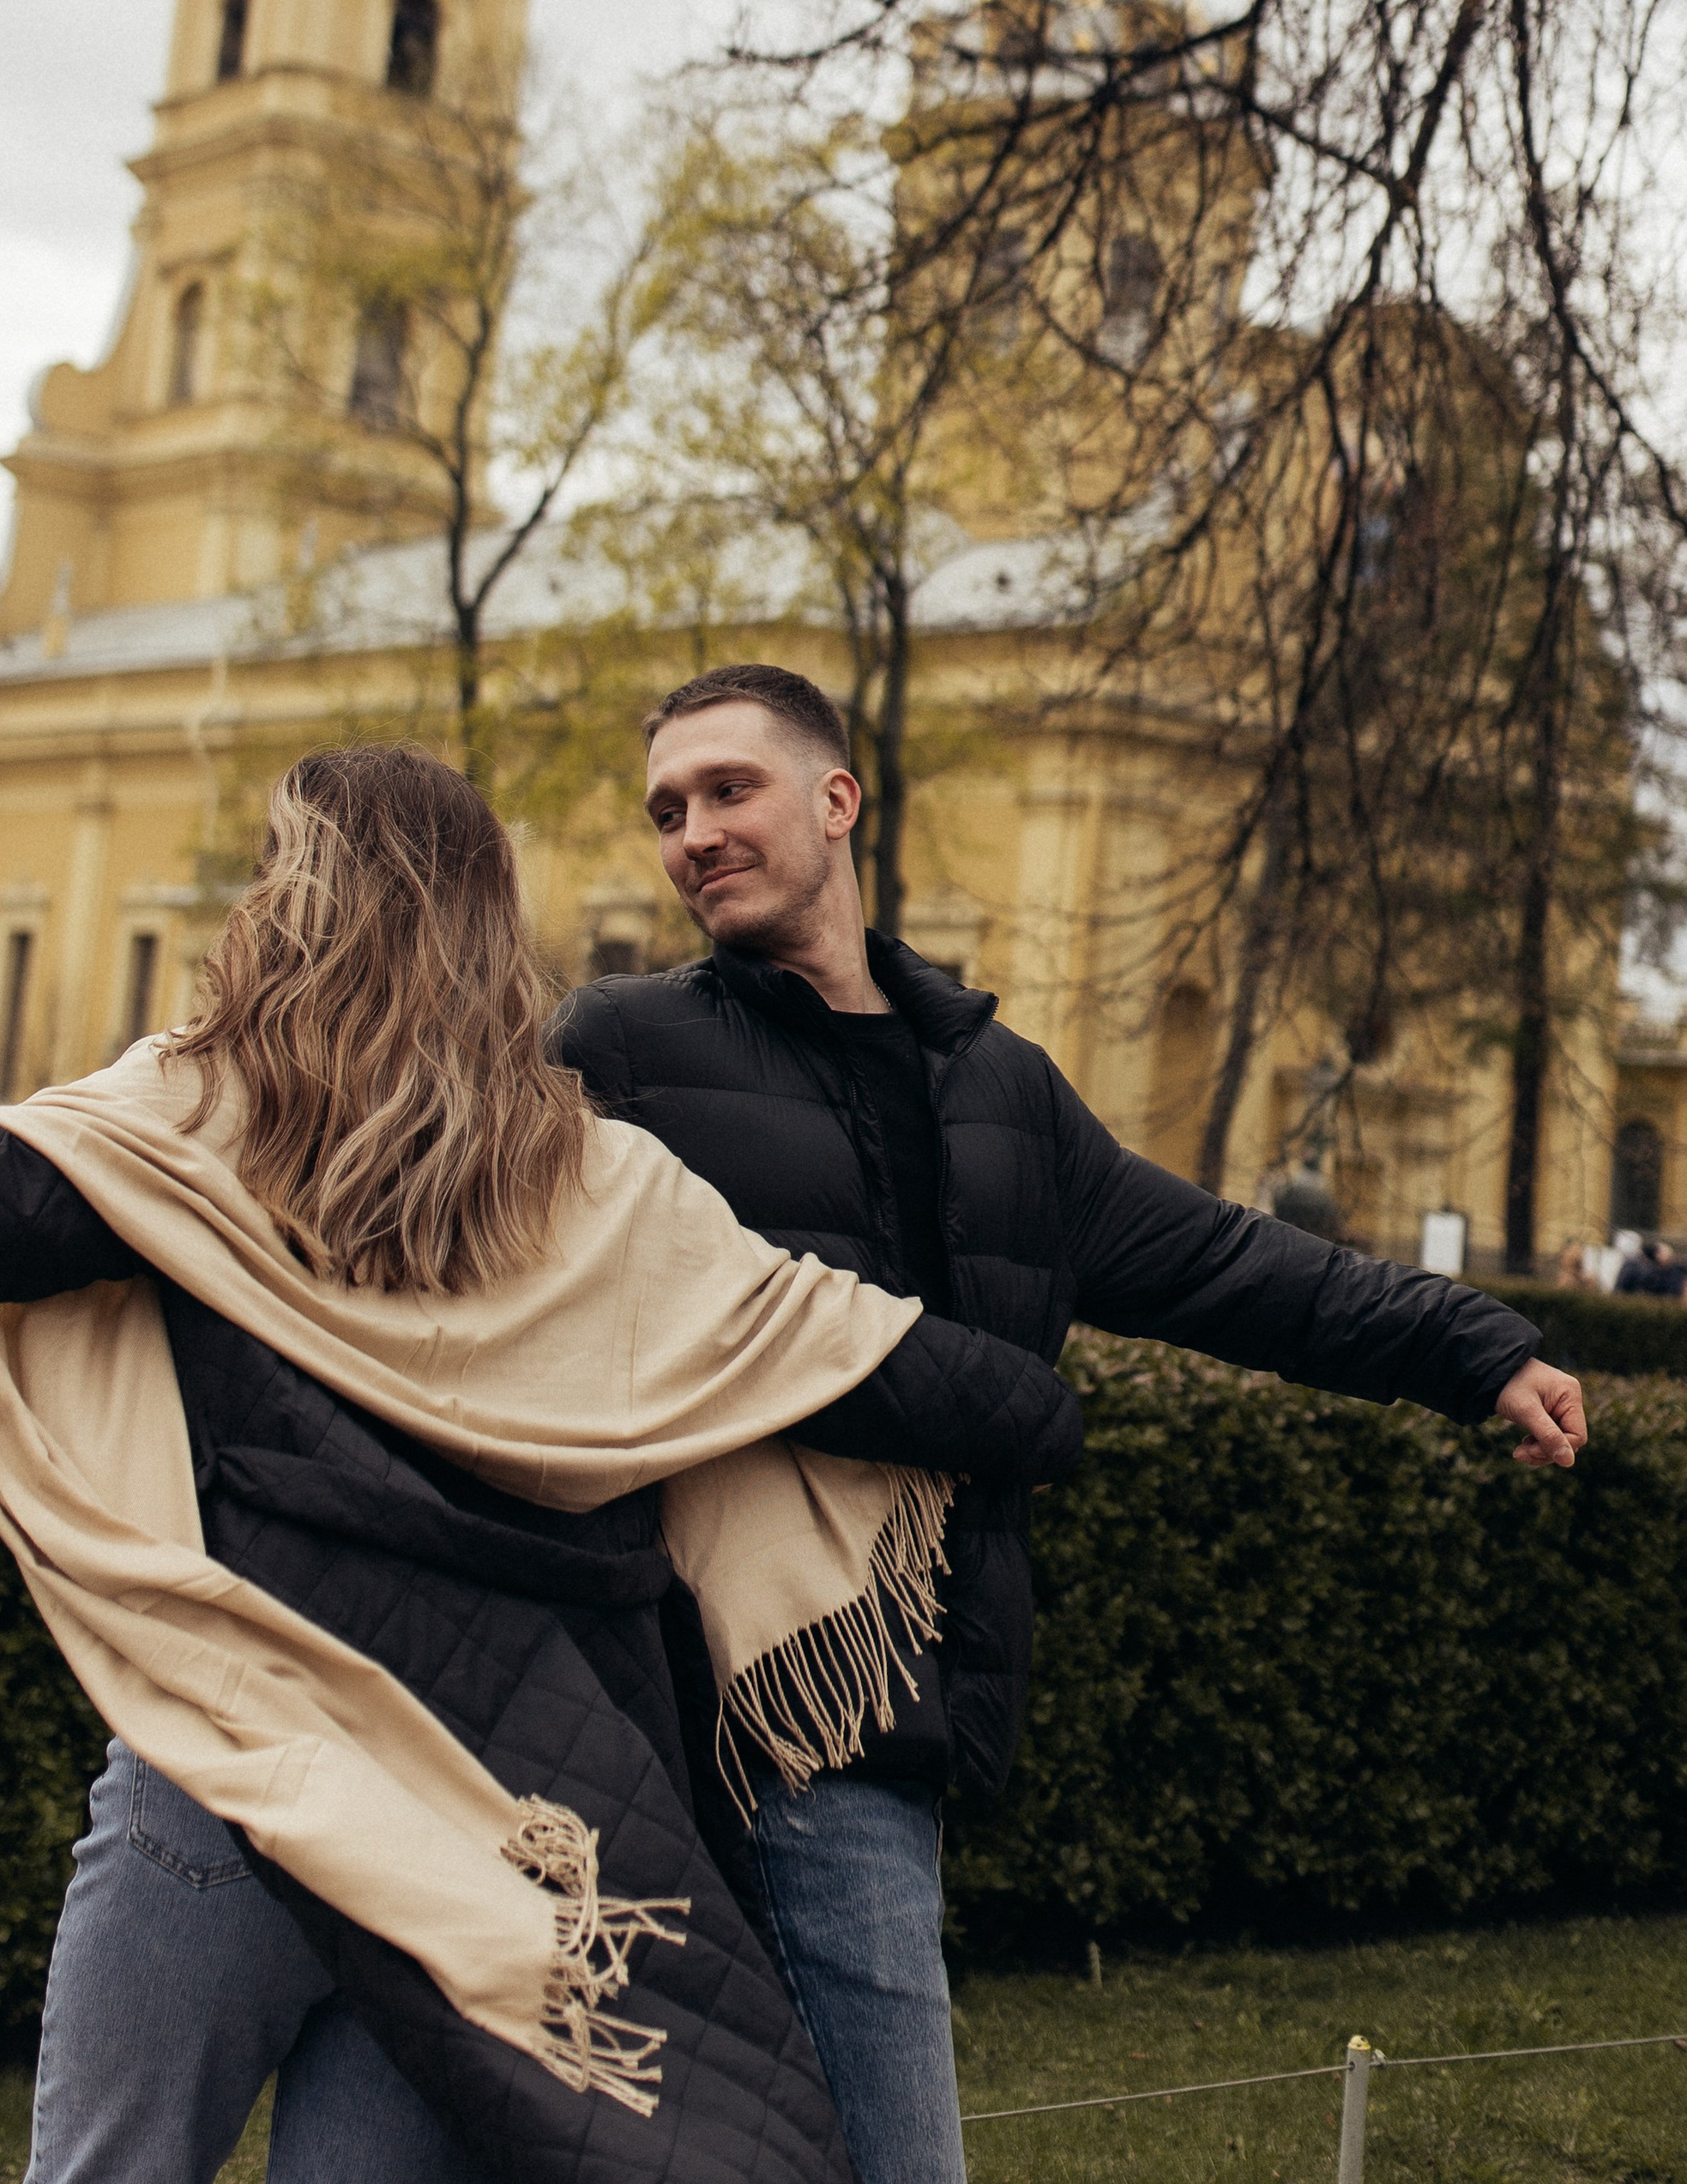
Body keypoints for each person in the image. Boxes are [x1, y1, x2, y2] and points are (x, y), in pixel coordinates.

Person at [0, 743, 1081, 2184]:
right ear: (492, 924)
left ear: (294, 899)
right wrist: (1038, 1407)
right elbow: (886, 1368)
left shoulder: (200, 1120)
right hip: (491, 1836)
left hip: (237, 1768)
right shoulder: (608, 1188)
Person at [553, 663, 1590, 2184]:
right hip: (746, 1697)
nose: (692, 832)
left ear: (838, 800)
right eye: (666, 809)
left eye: (728, 789)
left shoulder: (1002, 1089)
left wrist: (1472, 1344)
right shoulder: (622, 1045)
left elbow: (1231, 1265)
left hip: (910, 1697)